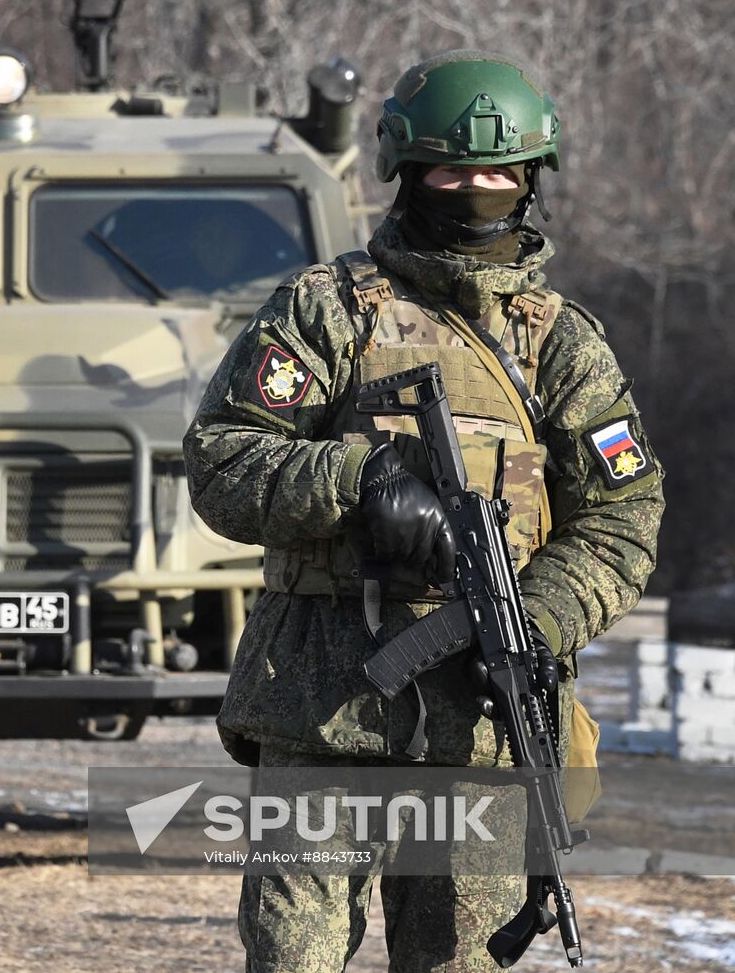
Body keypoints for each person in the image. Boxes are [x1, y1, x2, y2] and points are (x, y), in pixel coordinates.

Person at [182, 50, 665, 973]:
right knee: (293, 959)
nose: (475, 189)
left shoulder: (559, 343)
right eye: (452, 169)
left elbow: (624, 515)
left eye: (497, 172)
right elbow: (222, 461)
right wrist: (357, 481)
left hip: (478, 721)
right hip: (317, 711)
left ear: (529, 181)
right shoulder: (325, 311)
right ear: (408, 173)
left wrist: (534, 619)